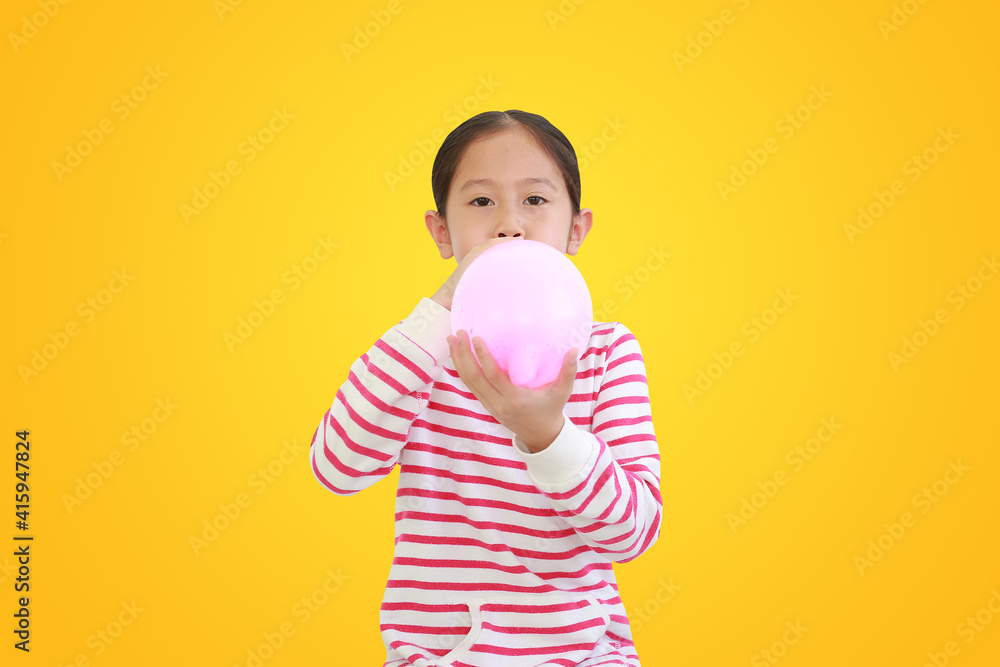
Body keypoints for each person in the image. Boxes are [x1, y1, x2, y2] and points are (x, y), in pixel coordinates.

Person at [310, 110, 662, 666]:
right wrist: (439, 311)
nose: (509, 226)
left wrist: (548, 435)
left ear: (577, 230)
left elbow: (633, 532)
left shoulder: (605, 352)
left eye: (536, 201)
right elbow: (336, 468)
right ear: (441, 233)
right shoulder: (417, 355)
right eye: (481, 203)